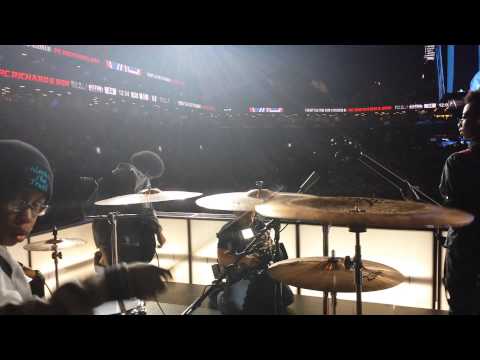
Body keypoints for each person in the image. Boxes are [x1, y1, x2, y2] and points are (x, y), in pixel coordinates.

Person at [0, 140, 171, 314]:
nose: (27, 217)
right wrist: (101, 288)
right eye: (17, 202)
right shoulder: (121, 177)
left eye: (37, 205)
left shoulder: (6, 258)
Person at [88, 151, 167, 314]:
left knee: (130, 282)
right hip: (115, 239)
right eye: (149, 175)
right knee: (116, 282)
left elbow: (147, 207)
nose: (149, 180)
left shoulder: (142, 182)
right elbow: (101, 218)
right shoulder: (117, 178)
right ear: (145, 170)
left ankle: (133, 306)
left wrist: (158, 231)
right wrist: (104, 249)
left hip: (131, 241)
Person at [439, 90, 480, 314]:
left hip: (464, 258)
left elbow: (452, 212)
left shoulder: (457, 162)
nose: (459, 122)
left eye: (464, 117)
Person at [209, 211, 294, 314]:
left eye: (251, 213)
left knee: (286, 298)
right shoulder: (228, 230)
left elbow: (269, 242)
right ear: (237, 213)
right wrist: (245, 259)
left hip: (261, 272)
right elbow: (222, 258)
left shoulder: (260, 225)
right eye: (244, 214)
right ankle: (219, 294)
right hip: (241, 275)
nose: (249, 217)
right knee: (235, 308)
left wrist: (268, 246)